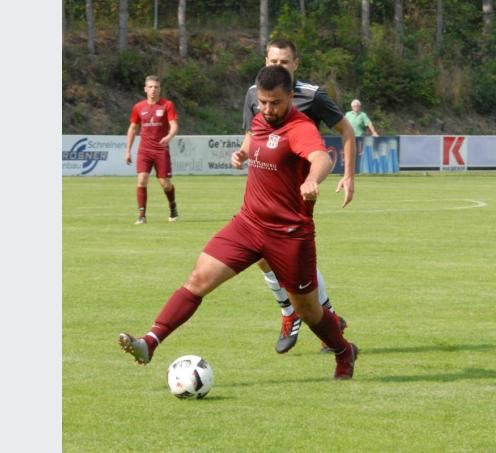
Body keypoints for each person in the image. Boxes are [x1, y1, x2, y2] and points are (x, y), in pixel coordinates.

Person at [118, 65, 359, 380]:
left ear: (290, 96)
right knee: (198, 279)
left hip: (289, 234)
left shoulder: (300, 128)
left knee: (309, 310)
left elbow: (321, 158)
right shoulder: (259, 120)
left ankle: (344, 352)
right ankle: (149, 342)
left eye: (275, 102)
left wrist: (313, 180)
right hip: (248, 224)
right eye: (263, 102)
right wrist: (242, 154)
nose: (268, 109)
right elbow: (254, 143)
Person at [241, 38, 356, 354]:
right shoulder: (255, 93)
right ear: (265, 60)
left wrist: (348, 175)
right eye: (273, 61)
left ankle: (310, 318)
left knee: (290, 261)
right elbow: (252, 134)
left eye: (284, 62)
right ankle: (299, 313)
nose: (278, 67)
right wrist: (242, 152)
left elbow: (346, 130)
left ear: (296, 65)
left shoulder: (312, 95)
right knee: (262, 257)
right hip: (264, 188)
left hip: (298, 192)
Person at [124, 75, 179, 225]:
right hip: (145, 150)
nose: (153, 89)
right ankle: (142, 215)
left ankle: (172, 206)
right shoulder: (138, 107)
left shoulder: (167, 105)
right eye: (150, 87)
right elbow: (133, 128)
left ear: (160, 89)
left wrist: (169, 137)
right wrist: (128, 151)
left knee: (165, 183)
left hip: (161, 150)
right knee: (142, 179)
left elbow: (174, 125)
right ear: (145, 89)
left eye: (156, 87)